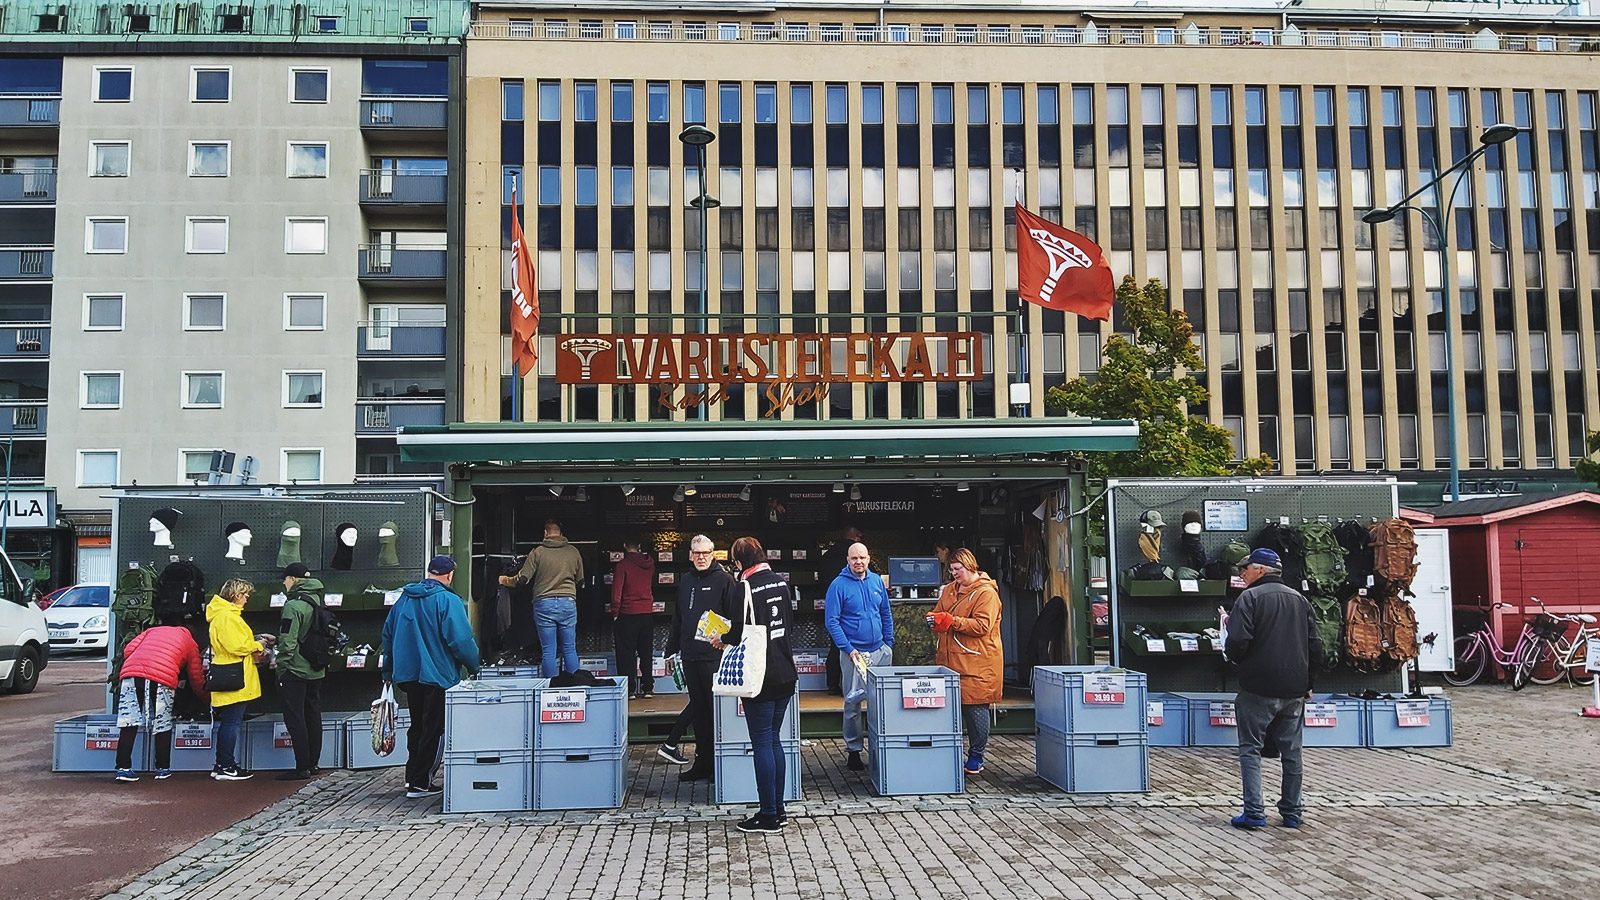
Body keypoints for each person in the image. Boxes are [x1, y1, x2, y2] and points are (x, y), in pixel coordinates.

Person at [1224, 547, 1323, 830]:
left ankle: (1254, 811)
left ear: (1261, 570)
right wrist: (1308, 683)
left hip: (1258, 686)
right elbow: (1316, 646)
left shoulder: (1250, 597)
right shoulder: (1300, 599)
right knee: (1292, 752)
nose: (1242, 574)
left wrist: (1235, 657)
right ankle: (1292, 812)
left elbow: (1237, 642)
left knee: (1250, 749)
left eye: (1246, 568)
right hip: (1294, 690)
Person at [382, 555, 481, 799]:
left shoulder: (404, 599)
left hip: (408, 674)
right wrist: (474, 665)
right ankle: (420, 783)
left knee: (417, 725)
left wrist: (388, 672)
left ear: (428, 572)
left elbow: (388, 636)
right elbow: (460, 640)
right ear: (449, 576)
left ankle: (412, 776)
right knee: (434, 728)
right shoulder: (448, 600)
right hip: (437, 674)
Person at [727, 536, 798, 834]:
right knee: (774, 740)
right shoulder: (781, 583)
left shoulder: (743, 587)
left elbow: (735, 633)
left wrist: (720, 639)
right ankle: (779, 809)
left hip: (760, 676)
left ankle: (768, 815)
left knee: (761, 744)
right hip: (785, 671)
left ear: (741, 562)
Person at [658, 534, 740, 780]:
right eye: (696, 553)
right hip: (690, 656)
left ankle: (717, 766)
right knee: (701, 716)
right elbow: (678, 619)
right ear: (690, 555)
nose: (701, 557)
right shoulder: (685, 581)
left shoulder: (725, 581)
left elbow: (735, 619)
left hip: (715, 657)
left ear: (713, 554)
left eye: (705, 553)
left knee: (714, 712)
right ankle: (702, 764)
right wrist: (670, 651)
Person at [928, 548, 1003, 775]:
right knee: (948, 711)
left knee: (975, 709)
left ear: (970, 566)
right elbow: (940, 612)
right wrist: (935, 619)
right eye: (951, 570)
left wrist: (952, 621)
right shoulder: (950, 590)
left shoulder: (986, 593)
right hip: (949, 660)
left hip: (977, 663)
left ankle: (976, 757)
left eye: (957, 569)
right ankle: (951, 753)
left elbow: (982, 626)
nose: (954, 575)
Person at [825, 540, 894, 772]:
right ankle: (854, 751)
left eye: (862, 558)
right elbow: (831, 621)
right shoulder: (838, 585)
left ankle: (879, 749)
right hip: (854, 654)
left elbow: (885, 612)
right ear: (847, 560)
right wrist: (848, 648)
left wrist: (888, 643)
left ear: (868, 558)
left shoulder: (876, 581)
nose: (859, 562)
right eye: (854, 558)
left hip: (879, 651)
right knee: (853, 704)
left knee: (880, 704)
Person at [111, 618, 208, 782]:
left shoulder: (152, 631)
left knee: (129, 721)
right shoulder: (190, 643)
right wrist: (207, 698)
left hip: (131, 674)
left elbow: (129, 650)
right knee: (162, 722)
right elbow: (196, 677)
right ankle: (162, 769)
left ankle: (123, 768)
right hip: (162, 678)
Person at [499, 519, 585, 677]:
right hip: (568, 603)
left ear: (545, 533)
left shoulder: (537, 552)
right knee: (569, 648)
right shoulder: (574, 552)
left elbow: (522, 580)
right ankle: (575, 686)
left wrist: (504, 580)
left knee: (548, 650)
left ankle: (551, 690)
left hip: (544, 604)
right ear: (561, 533)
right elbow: (581, 581)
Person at [206, 578, 269, 781]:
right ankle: (226, 765)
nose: (247, 599)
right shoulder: (227, 617)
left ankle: (222, 764)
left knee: (229, 722)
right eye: (245, 595)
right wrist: (258, 644)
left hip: (229, 671)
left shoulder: (222, 615)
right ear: (235, 595)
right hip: (235, 675)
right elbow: (236, 646)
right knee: (231, 722)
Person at [275, 562, 328, 781]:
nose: (284, 583)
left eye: (285, 579)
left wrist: (282, 666)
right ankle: (313, 763)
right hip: (316, 668)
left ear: (294, 580)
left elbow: (288, 640)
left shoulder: (293, 605)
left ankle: (301, 766)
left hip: (295, 669)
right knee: (312, 715)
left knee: (295, 717)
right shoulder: (317, 599)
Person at [610, 539, 657, 699]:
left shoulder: (622, 566)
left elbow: (617, 592)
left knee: (626, 653)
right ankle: (648, 688)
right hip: (646, 613)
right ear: (639, 546)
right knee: (646, 652)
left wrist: (615, 612)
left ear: (624, 546)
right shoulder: (649, 564)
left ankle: (629, 690)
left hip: (628, 613)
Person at [818, 526, 862, 695]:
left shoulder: (827, 556)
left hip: (832, 607)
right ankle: (853, 687)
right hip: (854, 610)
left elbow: (821, 579)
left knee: (836, 645)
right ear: (856, 538)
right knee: (856, 647)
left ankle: (832, 684)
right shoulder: (860, 560)